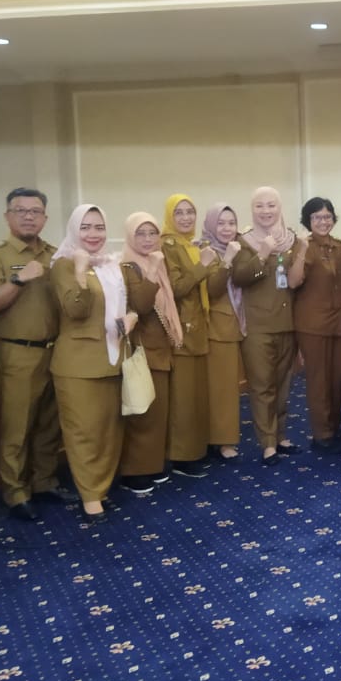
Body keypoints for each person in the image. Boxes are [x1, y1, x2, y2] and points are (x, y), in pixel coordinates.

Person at [50, 204, 156, 521]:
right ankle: (90, 495)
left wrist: (132, 316)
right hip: (78, 365)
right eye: (85, 227)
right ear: (74, 230)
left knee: (110, 431)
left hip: (114, 357)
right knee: (84, 432)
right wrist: (80, 272)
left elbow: (129, 305)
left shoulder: (112, 264)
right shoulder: (64, 264)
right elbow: (76, 310)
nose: (93, 234)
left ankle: (102, 487)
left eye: (99, 227)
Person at [0, 187, 66, 522]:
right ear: (8, 216)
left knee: (49, 424)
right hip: (17, 352)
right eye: (21, 211)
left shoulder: (55, 254)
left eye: (36, 211)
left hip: (55, 350)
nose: (29, 217)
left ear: (45, 217)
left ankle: (44, 481)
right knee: (17, 427)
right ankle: (15, 492)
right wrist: (18, 279)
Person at [231, 187, 306, 465]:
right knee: (262, 386)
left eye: (271, 205)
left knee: (283, 384)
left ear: (279, 207)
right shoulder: (243, 242)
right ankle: (268, 443)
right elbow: (239, 277)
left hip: (287, 323)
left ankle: (281, 435)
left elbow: (296, 281)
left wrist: (299, 251)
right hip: (257, 326)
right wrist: (263, 253)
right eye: (260, 206)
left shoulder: (292, 240)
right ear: (252, 209)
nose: (266, 211)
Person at [119, 212, 183, 493]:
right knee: (142, 412)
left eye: (152, 233)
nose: (147, 239)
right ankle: (135, 471)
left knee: (159, 411)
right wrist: (154, 270)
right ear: (130, 236)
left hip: (160, 346)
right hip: (141, 348)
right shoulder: (128, 265)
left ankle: (153, 464)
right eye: (140, 234)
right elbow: (141, 304)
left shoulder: (156, 263)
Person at [160, 193, 219, 478]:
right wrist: (202, 265)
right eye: (179, 212)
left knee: (196, 394)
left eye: (190, 212)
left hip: (198, 327)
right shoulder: (167, 245)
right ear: (169, 216)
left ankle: (196, 449)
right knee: (183, 397)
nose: (185, 218)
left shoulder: (191, 244)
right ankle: (182, 457)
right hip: (181, 329)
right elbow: (176, 288)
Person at [293, 197, 341, 454]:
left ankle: (335, 425)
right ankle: (322, 434)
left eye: (327, 216)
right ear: (308, 220)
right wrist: (299, 251)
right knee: (319, 380)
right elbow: (294, 282)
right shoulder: (303, 246)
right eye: (317, 217)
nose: (323, 221)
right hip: (313, 324)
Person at [201, 202, 245, 462]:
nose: (227, 228)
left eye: (232, 223)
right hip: (216, 328)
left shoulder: (239, 248)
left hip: (236, 325)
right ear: (210, 225)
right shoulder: (205, 251)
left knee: (227, 387)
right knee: (220, 388)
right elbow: (212, 289)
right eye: (221, 223)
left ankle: (220, 437)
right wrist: (227, 260)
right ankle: (221, 440)